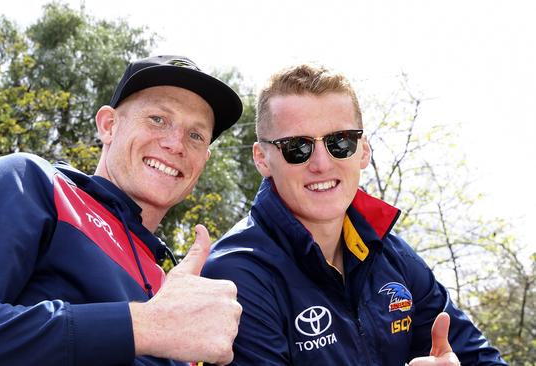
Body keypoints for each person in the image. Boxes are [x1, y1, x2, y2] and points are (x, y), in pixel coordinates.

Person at [0, 55, 243, 366]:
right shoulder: (35, 183)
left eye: (196, 135)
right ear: (109, 125)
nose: (175, 144)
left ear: (203, 161)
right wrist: (143, 326)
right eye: (158, 119)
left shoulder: (166, 283)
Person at [202, 64, 507, 365]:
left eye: (340, 141)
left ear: (363, 151)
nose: (321, 163)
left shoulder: (393, 256)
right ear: (262, 159)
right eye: (297, 147)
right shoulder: (235, 274)